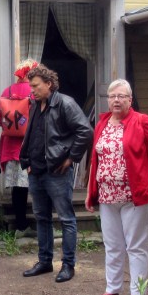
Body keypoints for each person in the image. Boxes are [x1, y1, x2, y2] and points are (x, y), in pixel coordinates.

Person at [84, 79, 148, 295]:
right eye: (112, 96)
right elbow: (96, 160)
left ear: (130, 100)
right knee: (112, 245)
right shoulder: (102, 123)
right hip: (107, 195)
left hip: (135, 196)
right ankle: (112, 288)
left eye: (121, 96)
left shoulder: (142, 122)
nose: (116, 100)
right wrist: (91, 192)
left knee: (136, 247)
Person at [18, 64, 92, 283]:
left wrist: (71, 158)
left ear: (49, 84)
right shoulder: (35, 104)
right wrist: (28, 161)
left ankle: (68, 265)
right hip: (36, 171)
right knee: (42, 218)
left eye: (35, 86)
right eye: (31, 86)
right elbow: (33, 135)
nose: (32, 90)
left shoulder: (65, 104)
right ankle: (45, 262)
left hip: (57, 172)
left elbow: (86, 131)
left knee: (66, 219)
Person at [0, 59, 37, 238]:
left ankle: (20, 225)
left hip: (11, 146)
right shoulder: (35, 91)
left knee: (17, 188)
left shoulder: (7, 91)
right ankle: (41, 225)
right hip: (31, 145)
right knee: (36, 185)